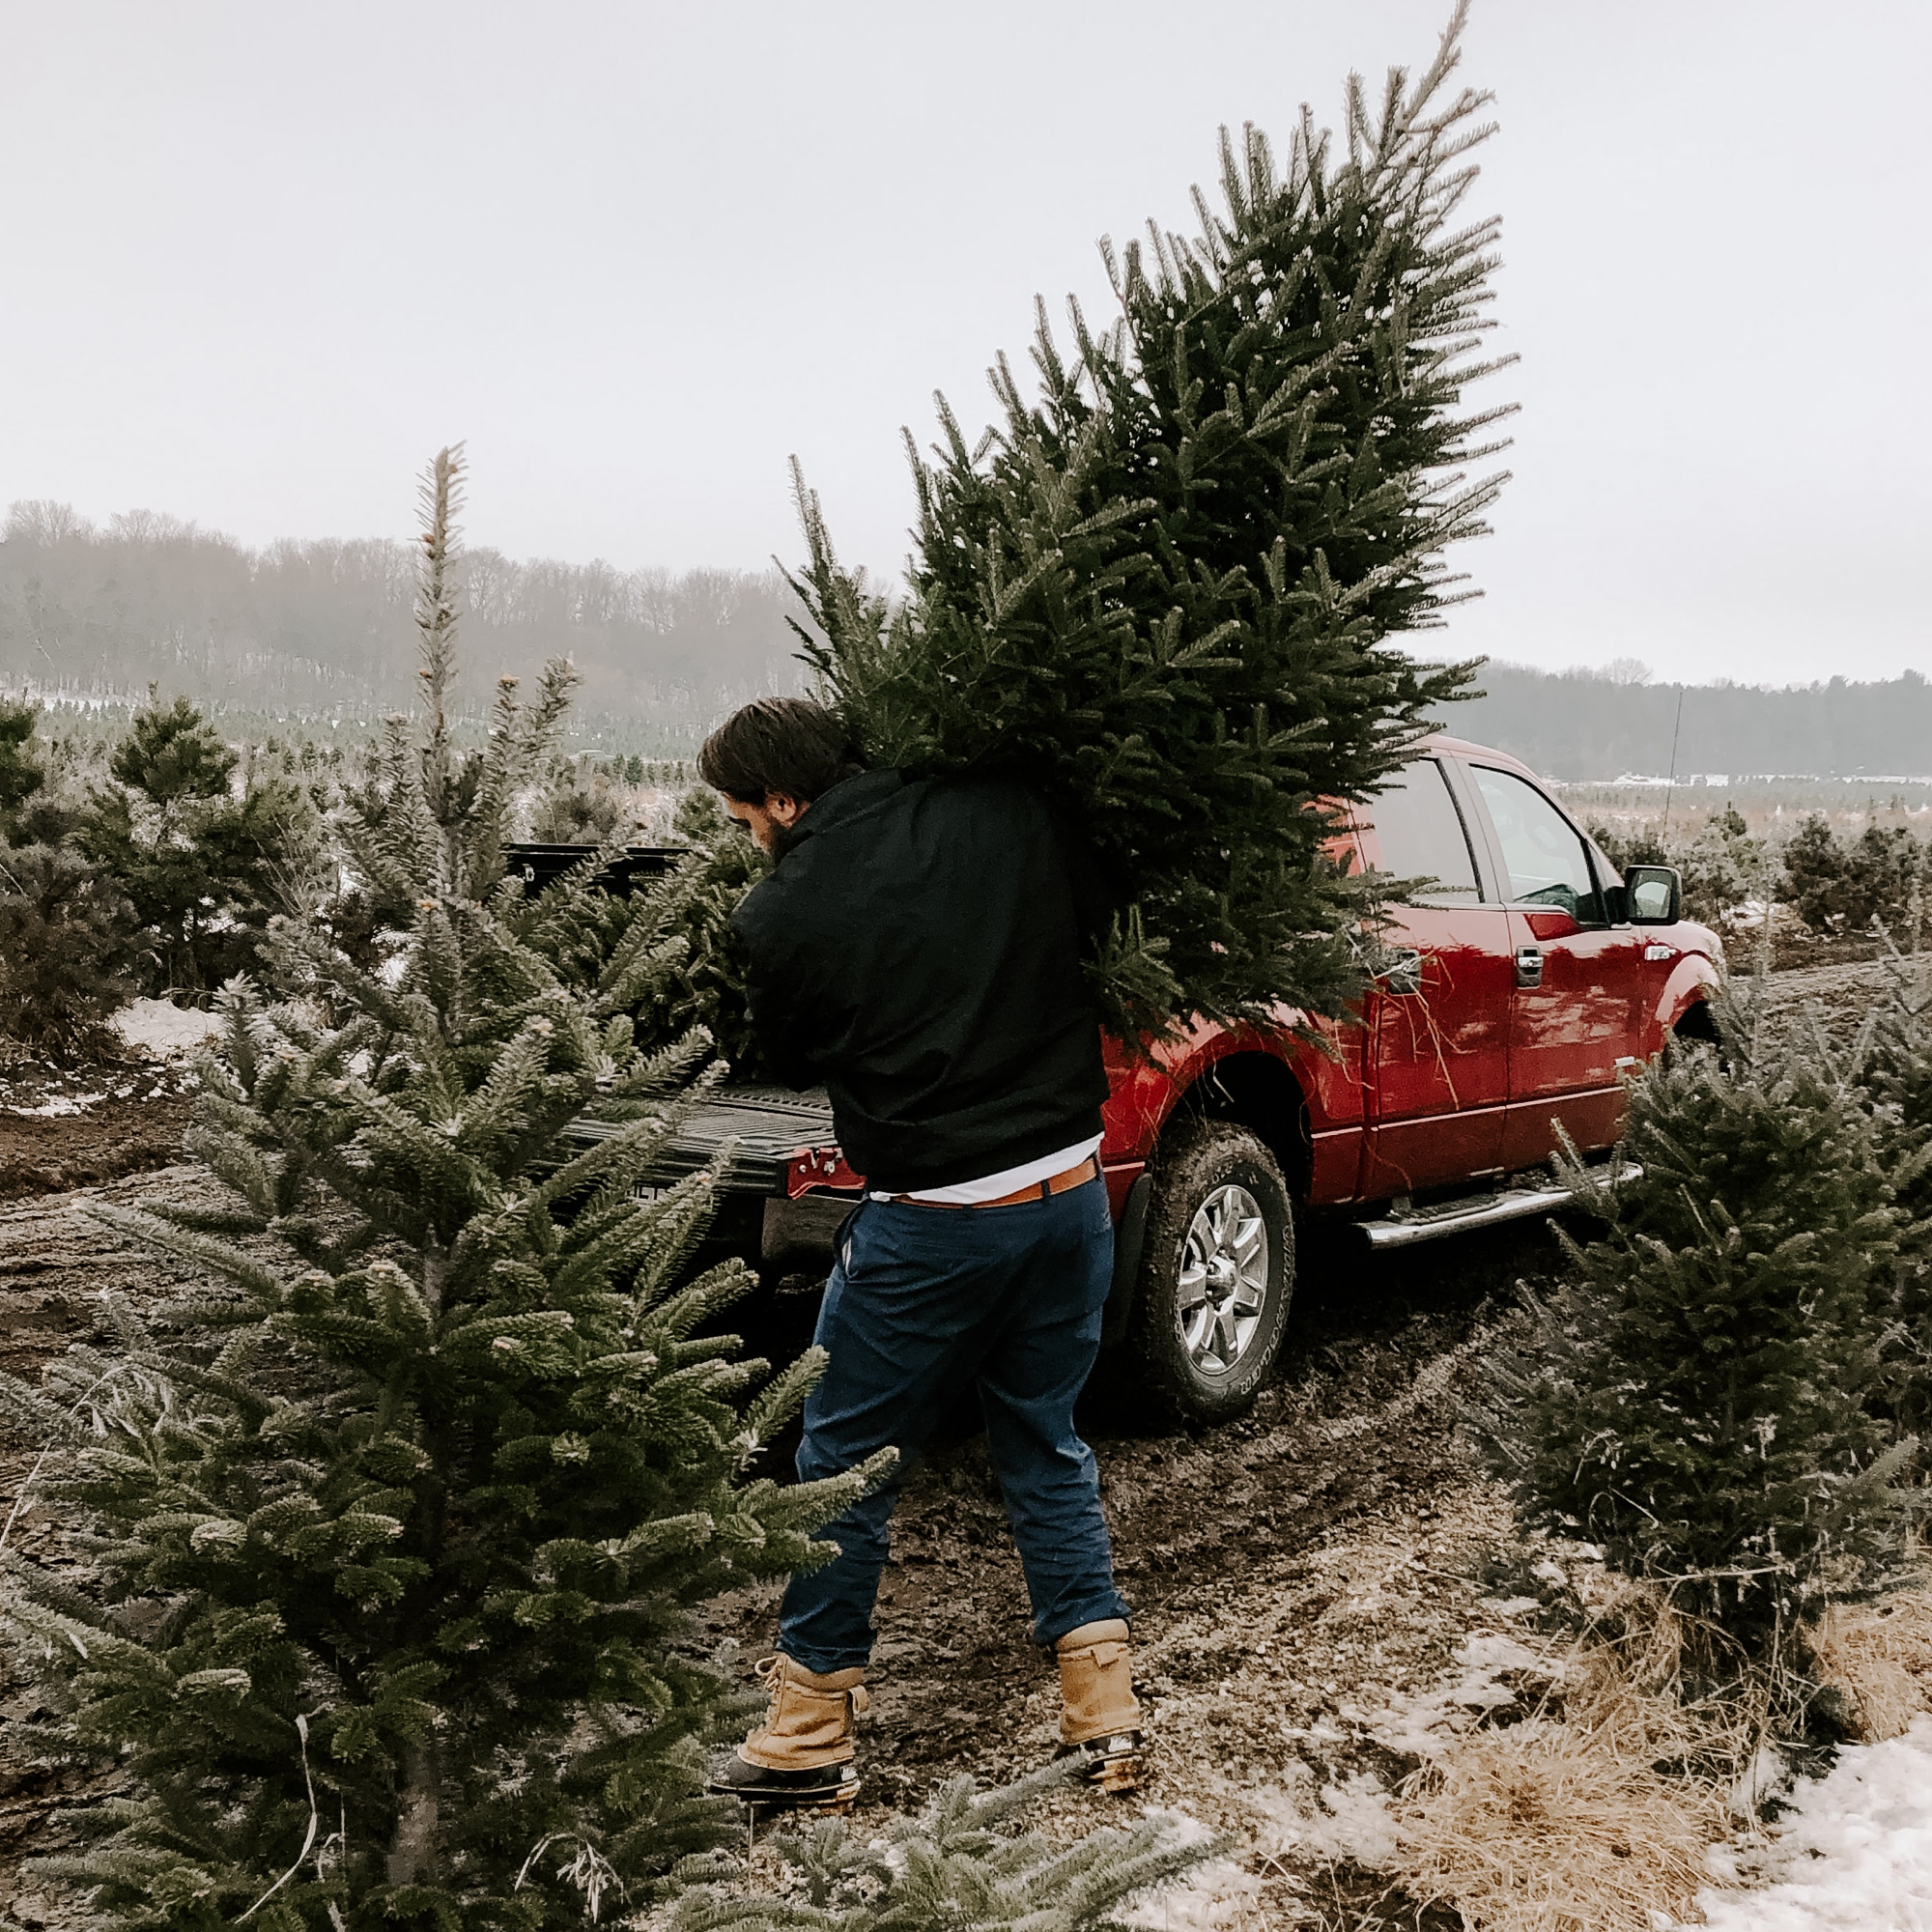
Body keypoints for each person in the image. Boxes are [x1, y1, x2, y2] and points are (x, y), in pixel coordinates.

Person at [696, 696, 1142, 1812]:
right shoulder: (1009, 806)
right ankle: (1104, 1717)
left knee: (844, 1457)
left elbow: (789, 1051)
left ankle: (806, 1732)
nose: (752, 838)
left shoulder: (781, 910)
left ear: (782, 799)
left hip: (933, 1218)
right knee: (1043, 1438)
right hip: (1069, 1191)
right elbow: (1097, 923)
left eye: (747, 818)